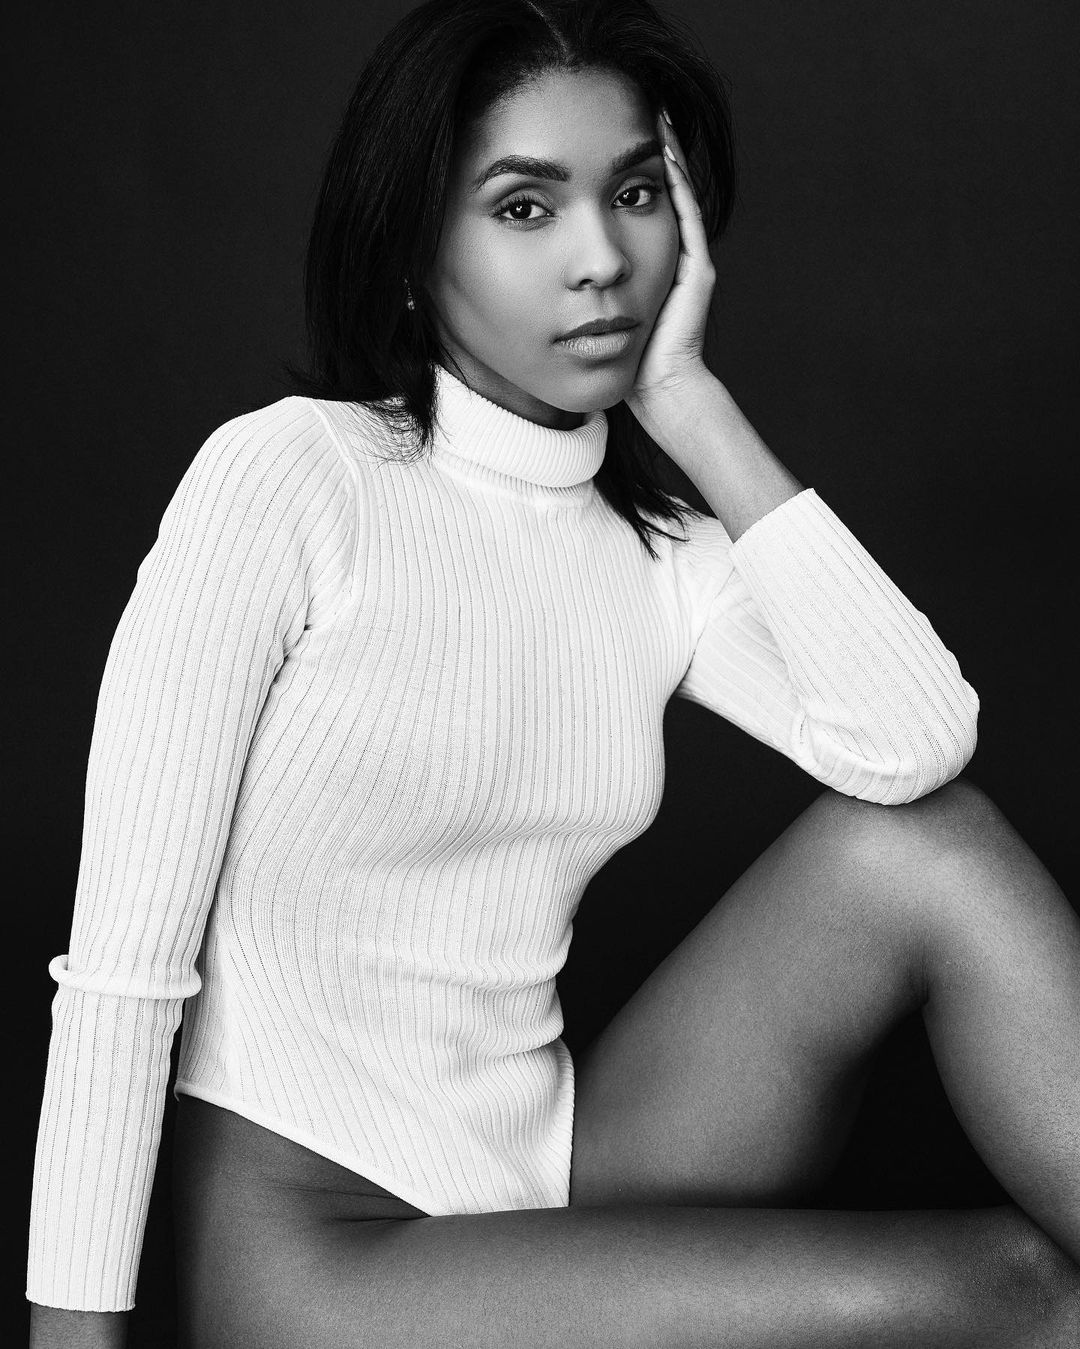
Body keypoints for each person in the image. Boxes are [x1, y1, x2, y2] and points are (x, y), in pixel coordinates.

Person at [26, 1, 1080, 1345]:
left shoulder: (658, 552)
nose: (601, 260)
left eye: (633, 193)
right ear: (416, 248)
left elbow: (917, 744)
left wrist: (687, 401)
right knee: (1019, 1292)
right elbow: (122, 972)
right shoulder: (292, 481)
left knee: (926, 845)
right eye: (525, 207)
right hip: (322, 1253)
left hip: (554, 1169)